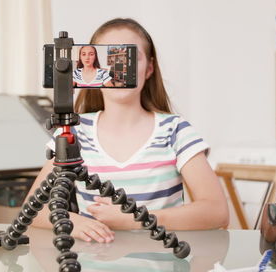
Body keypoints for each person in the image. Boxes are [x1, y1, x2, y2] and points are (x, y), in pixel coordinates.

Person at [26, 18, 229, 243]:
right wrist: (71, 221)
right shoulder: (75, 132)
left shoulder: (174, 130)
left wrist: (135, 219)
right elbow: (33, 210)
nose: (118, 67)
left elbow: (216, 212)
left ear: (149, 68)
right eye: (108, 57)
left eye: (128, 57)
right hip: (91, 269)